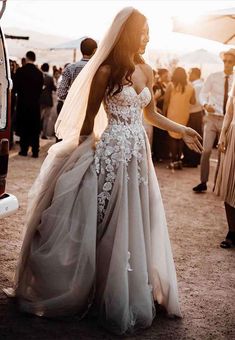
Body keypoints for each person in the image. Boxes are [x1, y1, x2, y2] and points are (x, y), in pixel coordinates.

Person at [5, 8, 203, 335]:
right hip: (111, 154)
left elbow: (150, 115)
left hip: (138, 156)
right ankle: (95, 291)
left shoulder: (147, 69)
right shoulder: (106, 70)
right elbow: (87, 121)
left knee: (136, 220)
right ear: (127, 33)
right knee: (106, 222)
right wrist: (81, 156)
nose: (148, 37)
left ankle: (128, 287)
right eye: (143, 31)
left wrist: (182, 129)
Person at [193, 48, 235, 192]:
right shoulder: (213, 77)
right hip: (211, 119)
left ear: (234, 63)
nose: (227, 64)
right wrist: (205, 104)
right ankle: (203, 182)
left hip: (227, 121)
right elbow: (203, 94)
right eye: (225, 61)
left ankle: (217, 184)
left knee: (222, 154)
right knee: (206, 151)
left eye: (230, 62)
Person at [214, 79, 235, 248]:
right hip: (233, 137)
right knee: (229, 183)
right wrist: (222, 135)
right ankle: (231, 231)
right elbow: (229, 111)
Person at [163, 67, 196, 170]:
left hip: (172, 114)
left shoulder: (170, 86)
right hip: (184, 115)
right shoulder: (190, 87)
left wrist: (163, 115)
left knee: (172, 137)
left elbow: (166, 102)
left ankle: (173, 161)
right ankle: (179, 161)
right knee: (181, 136)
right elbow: (193, 101)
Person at [57, 37, 97, 115]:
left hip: (73, 110)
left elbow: (61, 93)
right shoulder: (98, 68)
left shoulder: (69, 68)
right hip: (92, 111)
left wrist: (74, 97)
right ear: (95, 50)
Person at [14, 51, 44, 157]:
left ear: (26, 58)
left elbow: (15, 88)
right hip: (35, 104)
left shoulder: (20, 71)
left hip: (23, 103)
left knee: (24, 126)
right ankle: (35, 151)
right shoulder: (39, 73)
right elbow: (40, 90)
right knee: (34, 128)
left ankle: (24, 150)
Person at [183, 67, 204, 167]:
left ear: (195, 74)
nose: (188, 75)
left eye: (190, 73)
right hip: (198, 113)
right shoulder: (201, 84)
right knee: (196, 135)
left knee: (191, 136)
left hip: (193, 113)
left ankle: (191, 160)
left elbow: (194, 101)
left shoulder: (195, 86)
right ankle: (195, 159)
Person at [152, 68, 170, 162]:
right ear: (161, 75)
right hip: (158, 111)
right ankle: (157, 154)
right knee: (158, 134)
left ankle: (163, 154)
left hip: (164, 112)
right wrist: (165, 97)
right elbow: (153, 100)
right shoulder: (156, 86)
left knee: (163, 134)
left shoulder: (164, 85)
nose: (167, 77)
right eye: (165, 75)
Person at [40, 63, 57, 139]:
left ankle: (36, 133)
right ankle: (44, 134)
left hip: (40, 100)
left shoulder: (39, 76)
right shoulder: (50, 78)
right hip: (48, 100)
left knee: (39, 117)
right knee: (46, 118)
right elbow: (54, 88)